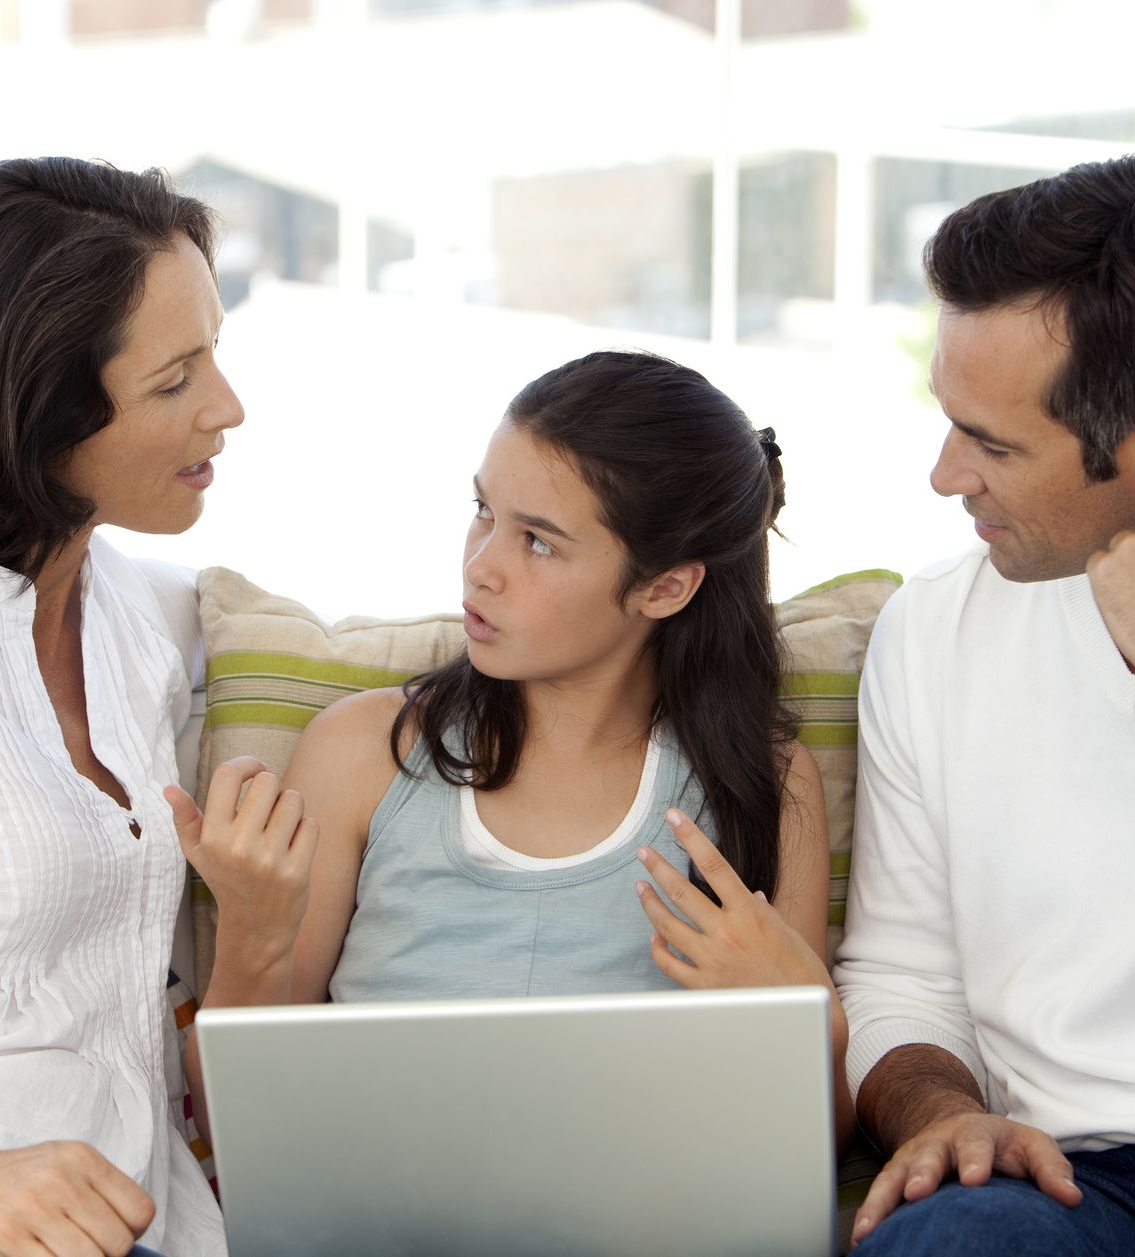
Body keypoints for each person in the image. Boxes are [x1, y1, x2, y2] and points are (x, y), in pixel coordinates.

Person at [172, 349, 852, 1149]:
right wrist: (252, 927)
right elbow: (233, 1122)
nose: (479, 566)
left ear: (664, 586)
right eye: (482, 511)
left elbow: (813, 1144)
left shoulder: (763, 784)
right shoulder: (363, 752)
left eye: (538, 541)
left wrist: (812, 1024)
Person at [833, 154, 1135, 1255]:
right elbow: (902, 975)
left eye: (991, 443)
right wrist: (943, 1114)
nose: (945, 476)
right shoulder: (936, 630)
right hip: (1077, 1185)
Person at [0, 157, 251, 1257]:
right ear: (40, 413)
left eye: (216, 354)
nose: (228, 408)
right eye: (174, 382)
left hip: (138, 1218)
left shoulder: (138, 621)